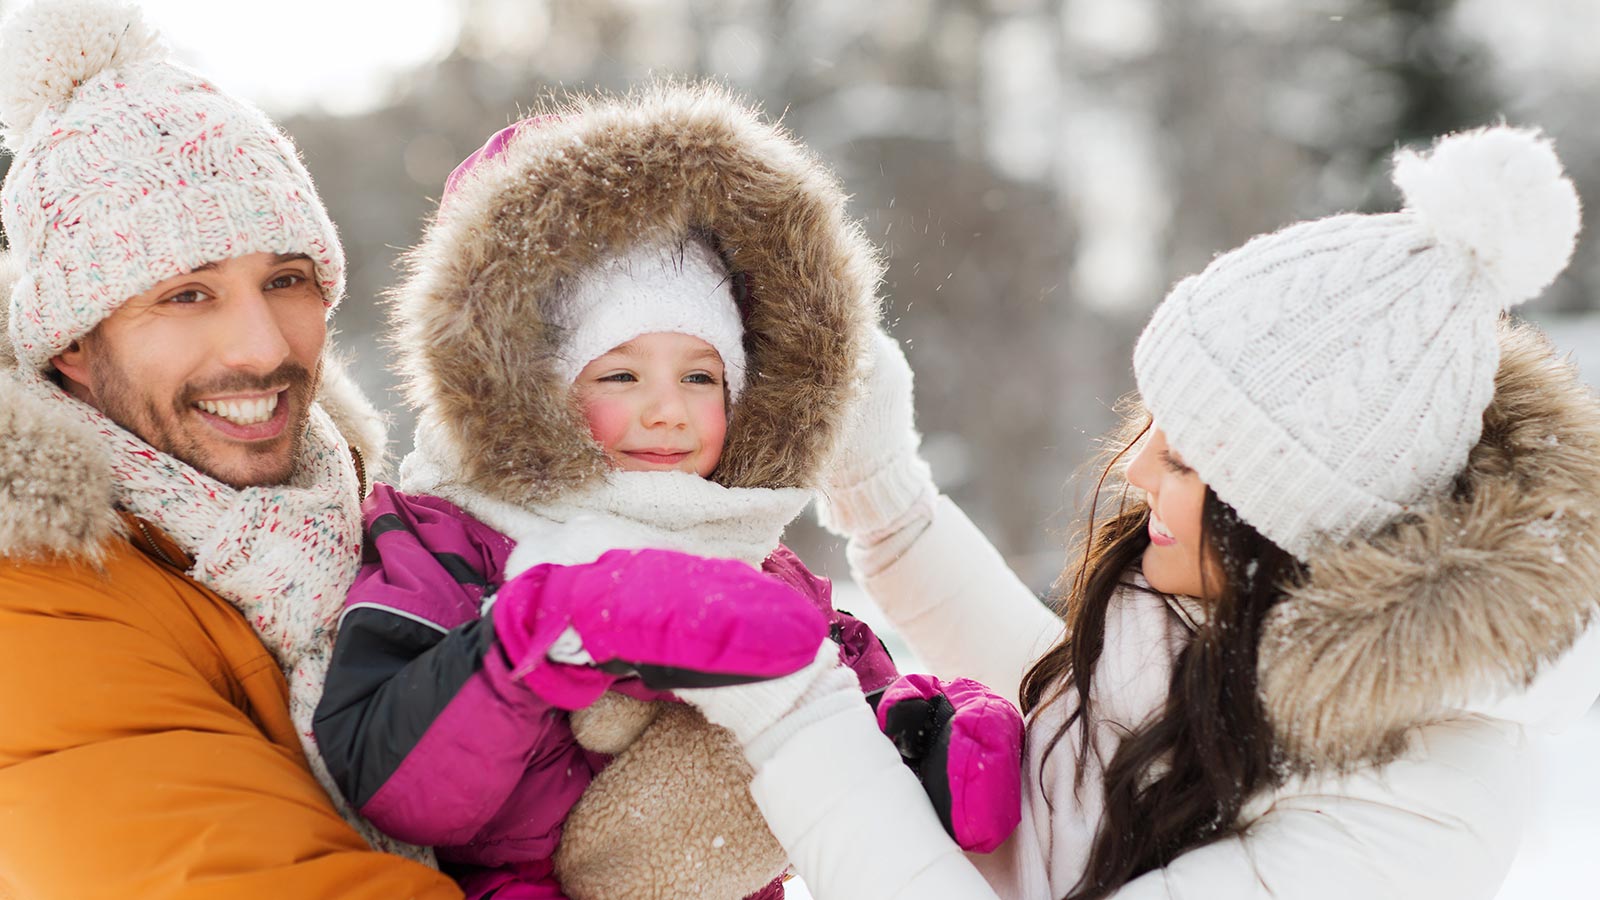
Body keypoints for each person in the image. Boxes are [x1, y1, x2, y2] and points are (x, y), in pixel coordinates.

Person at [680, 125, 1600, 899]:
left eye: (1187, 456)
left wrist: (793, 718)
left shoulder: (1408, 814)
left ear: (1295, 522)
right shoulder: (1240, 614)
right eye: (1152, 422)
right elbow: (1065, 726)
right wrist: (883, 492)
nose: (1133, 467)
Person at [311, 85, 1025, 900]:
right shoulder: (448, 541)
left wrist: (924, 737)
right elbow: (391, 780)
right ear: (531, 392)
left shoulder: (748, 552)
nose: (668, 410)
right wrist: (537, 637)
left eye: (699, 375)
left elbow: (833, 695)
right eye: (620, 373)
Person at [0, 0, 479, 895]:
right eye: (186, 294)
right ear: (70, 343)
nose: (263, 347)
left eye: (285, 279)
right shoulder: (32, 596)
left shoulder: (389, 527)